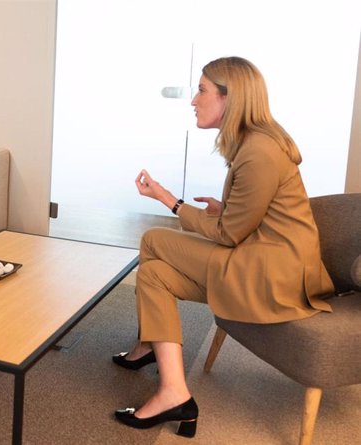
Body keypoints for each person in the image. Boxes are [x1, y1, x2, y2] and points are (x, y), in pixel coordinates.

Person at [111, 56, 334, 438]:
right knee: (154, 274)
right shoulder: (255, 143)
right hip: (261, 259)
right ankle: (173, 389)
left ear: (231, 99)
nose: (193, 100)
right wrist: (224, 210)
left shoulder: (259, 150)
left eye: (201, 90)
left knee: (153, 239)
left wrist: (170, 200)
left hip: (272, 274)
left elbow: (229, 234)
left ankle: (151, 344)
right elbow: (254, 217)